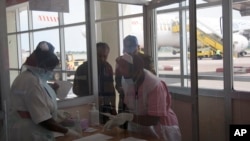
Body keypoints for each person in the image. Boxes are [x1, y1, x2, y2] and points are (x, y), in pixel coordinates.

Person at [7, 41, 82, 141]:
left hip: (30, 129)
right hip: (29, 133)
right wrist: (68, 131)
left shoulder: (31, 78)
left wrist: (56, 113)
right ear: (42, 67)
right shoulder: (32, 82)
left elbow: (38, 102)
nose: (51, 72)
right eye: (51, 69)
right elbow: (43, 120)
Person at [104, 53, 181, 141]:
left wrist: (129, 117)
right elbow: (130, 104)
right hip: (138, 127)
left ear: (139, 71)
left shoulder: (154, 85)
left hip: (160, 128)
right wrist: (118, 119)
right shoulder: (125, 80)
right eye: (124, 76)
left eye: (129, 76)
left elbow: (153, 119)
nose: (126, 79)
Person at [73, 42, 117, 124]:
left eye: (105, 56)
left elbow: (111, 89)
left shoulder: (108, 67)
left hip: (106, 108)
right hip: (88, 107)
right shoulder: (82, 69)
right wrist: (92, 97)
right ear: (93, 54)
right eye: (99, 56)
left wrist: (113, 107)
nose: (102, 59)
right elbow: (76, 90)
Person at [115, 35, 156, 113]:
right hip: (126, 97)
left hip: (143, 96)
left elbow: (152, 77)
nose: (130, 53)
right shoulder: (120, 60)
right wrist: (120, 88)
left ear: (138, 47)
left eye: (132, 50)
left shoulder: (146, 59)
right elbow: (118, 79)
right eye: (127, 50)